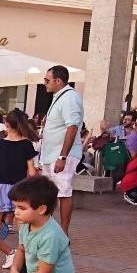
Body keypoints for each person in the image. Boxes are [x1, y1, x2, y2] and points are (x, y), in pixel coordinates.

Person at [0, 110, 38, 273]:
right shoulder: (27, 145)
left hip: (0, 188)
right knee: (23, 230)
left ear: (6, 124)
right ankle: (24, 265)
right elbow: (31, 172)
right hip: (20, 189)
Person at [38, 65, 84, 235]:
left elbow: (72, 127)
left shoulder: (70, 97)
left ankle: (63, 233)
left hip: (62, 154)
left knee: (63, 192)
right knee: (49, 192)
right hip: (51, 154)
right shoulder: (60, 96)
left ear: (58, 81)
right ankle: (49, 229)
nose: (45, 84)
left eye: (47, 80)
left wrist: (62, 157)